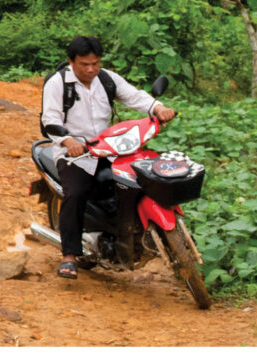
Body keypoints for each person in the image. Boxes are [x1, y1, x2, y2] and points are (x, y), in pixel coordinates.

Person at [41, 36, 176, 279]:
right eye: (84, 64)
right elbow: (49, 119)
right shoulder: (58, 83)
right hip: (74, 154)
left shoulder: (106, 78)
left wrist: (158, 108)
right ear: (71, 61)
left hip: (109, 149)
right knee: (76, 193)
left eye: (95, 63)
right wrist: (68, 141)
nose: (91, 69)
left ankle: (130, 236)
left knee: (134, 183)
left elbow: (135, 97)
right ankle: (69, 256)